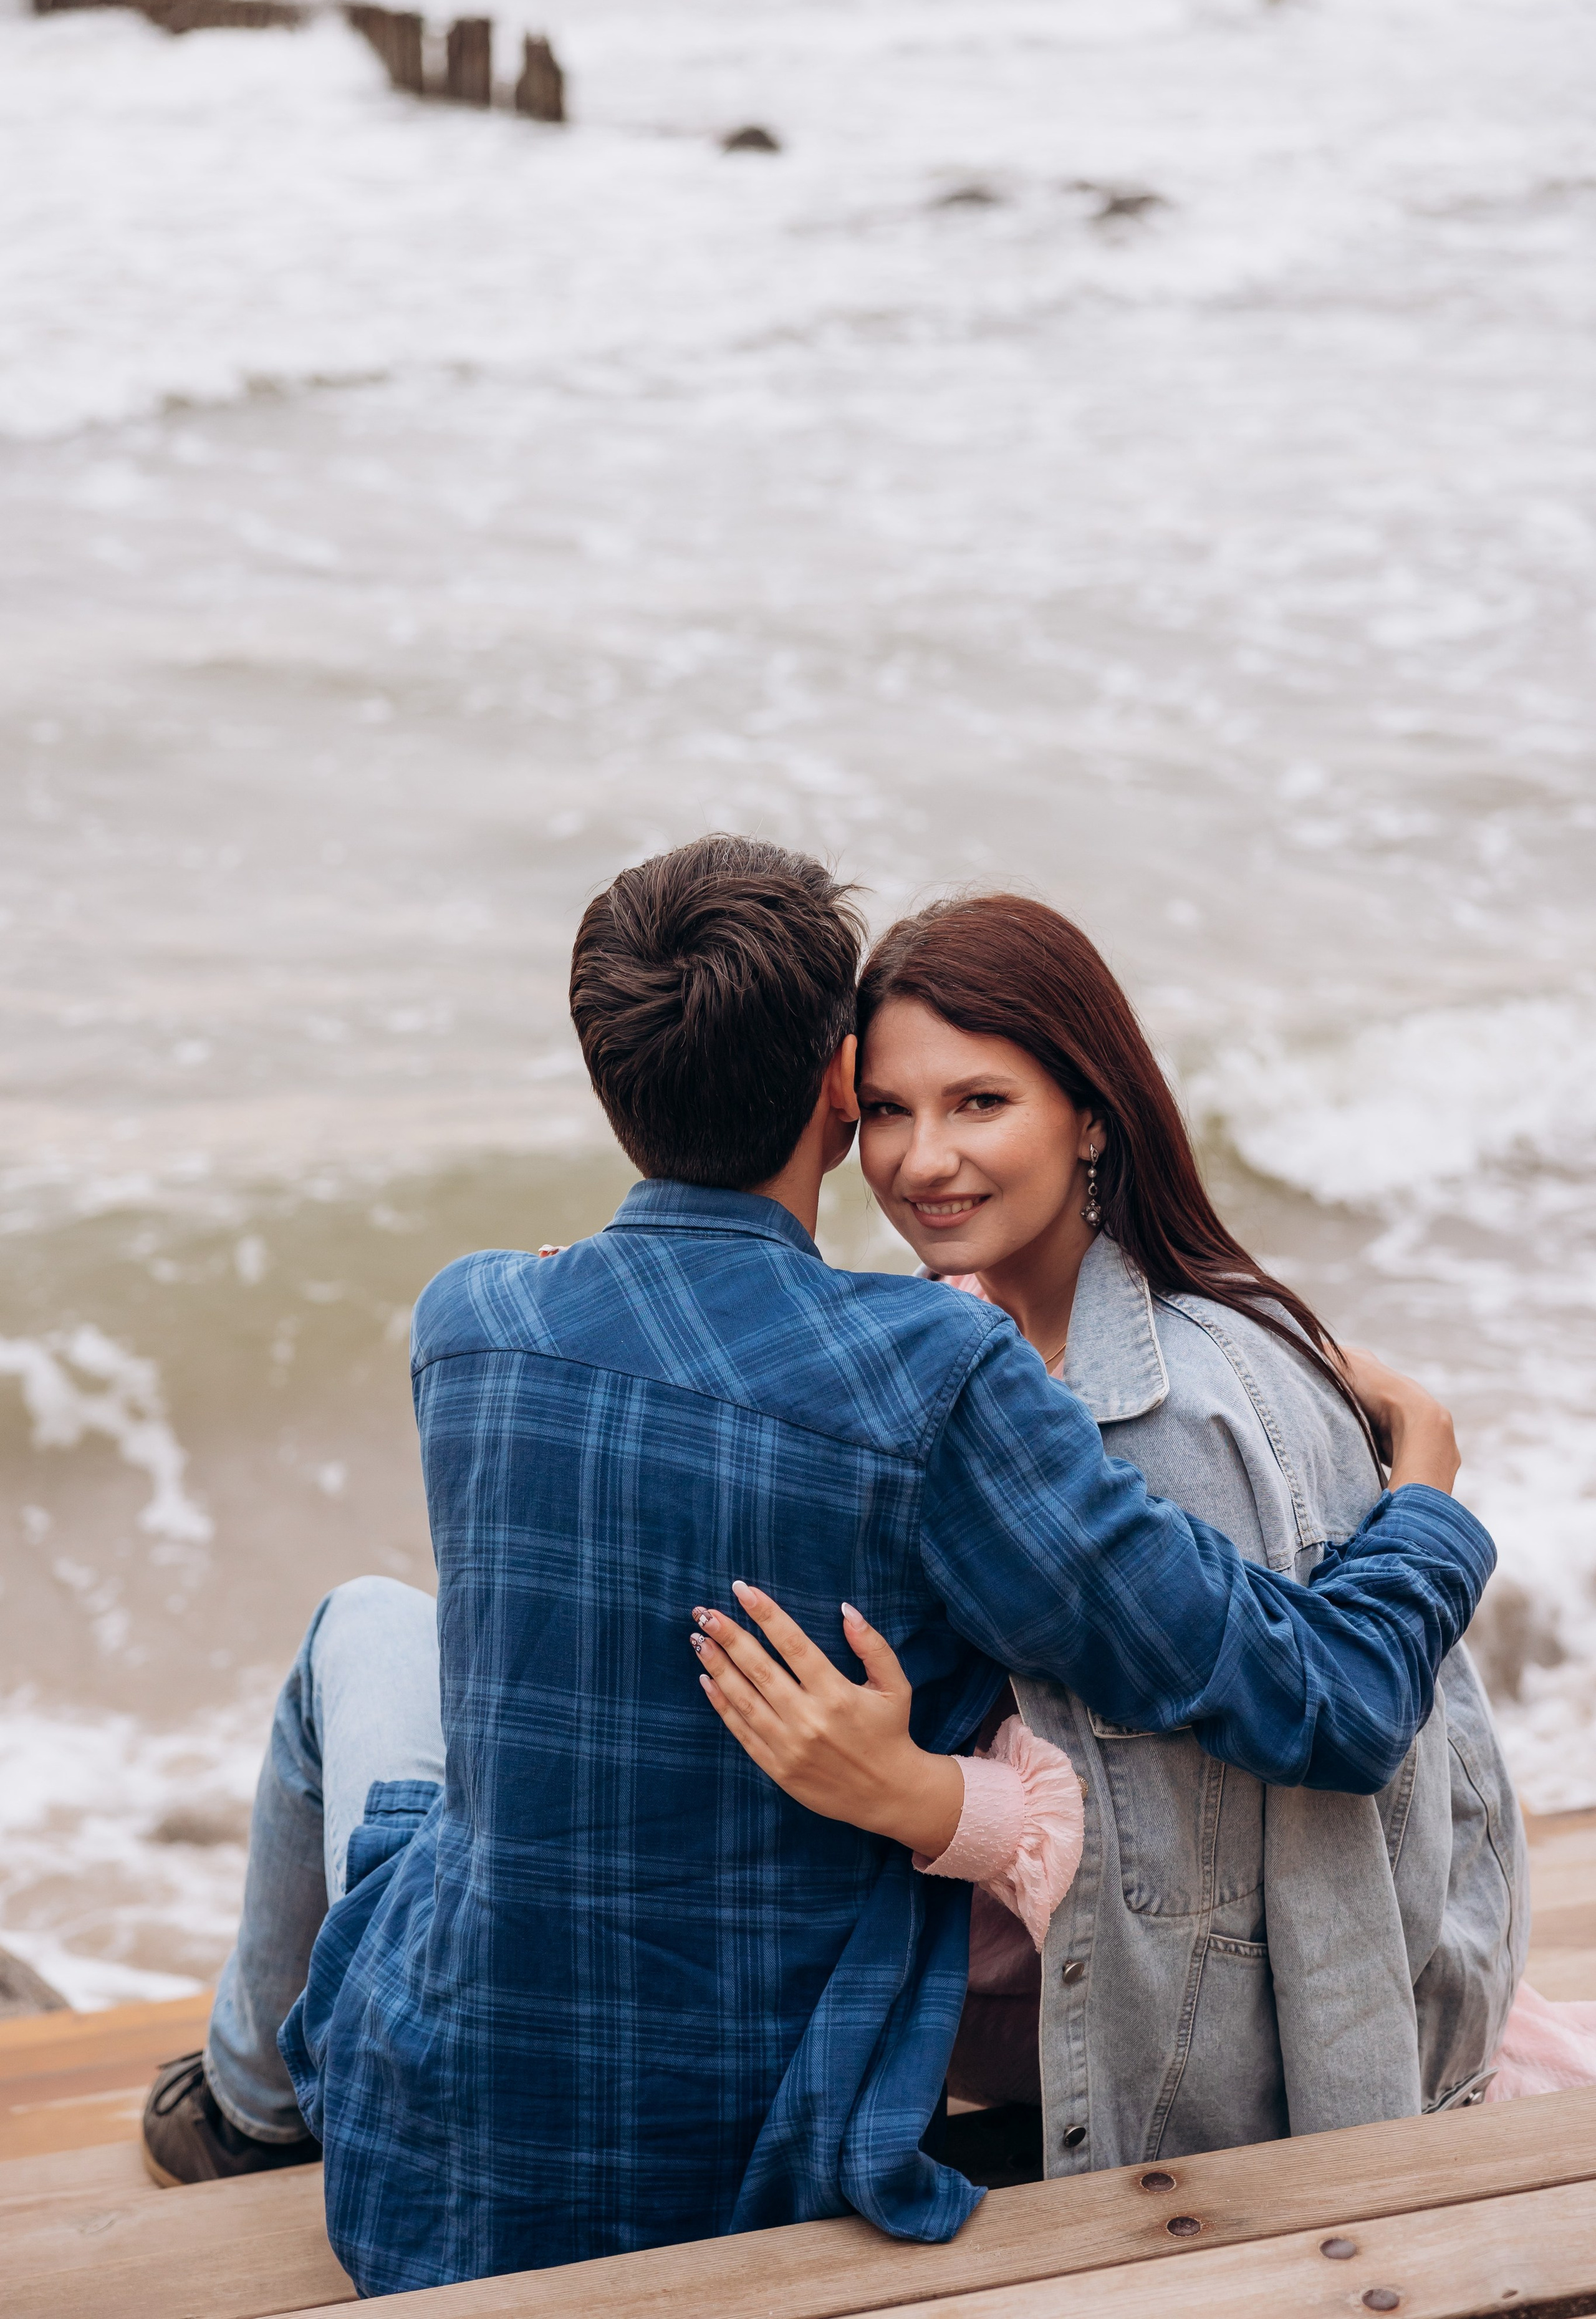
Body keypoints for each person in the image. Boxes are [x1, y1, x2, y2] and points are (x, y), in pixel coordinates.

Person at [142, 839, 1489, 2299]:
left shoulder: (469, 1319)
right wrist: (1419, 1488)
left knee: (362, 1627)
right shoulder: (936, 1373)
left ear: (608, 1083)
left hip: (431, 2127)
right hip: (761, 2162)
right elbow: (1334, 1704)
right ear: (840, 1093)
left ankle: (247, 2109)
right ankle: (250, 2099)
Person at [694, 892, 1563, 2177]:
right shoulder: (975, 1325)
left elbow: (1256, 1854)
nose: (919, 1160)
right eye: (886, 1111)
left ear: (1089, 1114)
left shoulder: (1175, 1416)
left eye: (977, 1103)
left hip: (1191, 2039)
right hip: (1040, 1951)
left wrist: (929, 1804)